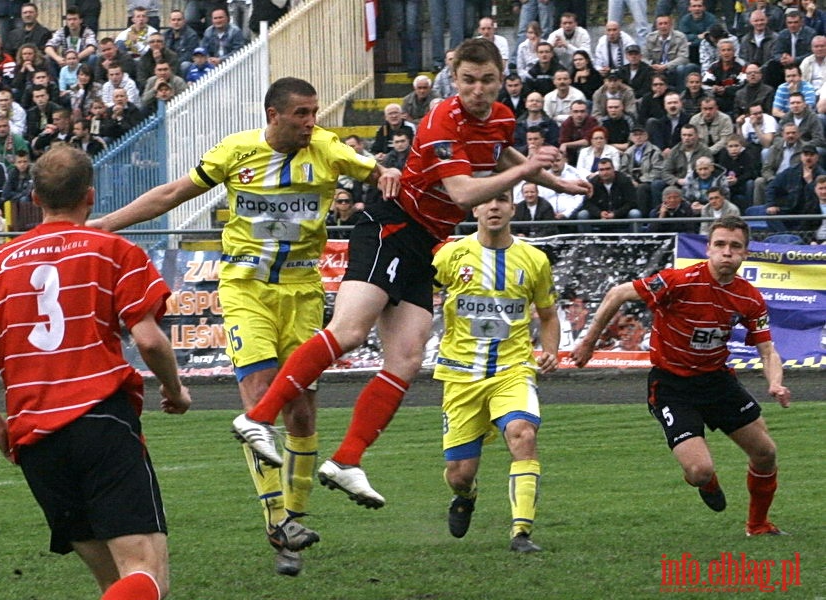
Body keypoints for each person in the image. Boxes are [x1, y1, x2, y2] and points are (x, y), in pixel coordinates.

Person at [232, 39, 591, 510]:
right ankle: (257, 418)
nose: (478, 90)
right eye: (468, 80)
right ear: (453, 78)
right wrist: (527, 169)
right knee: (350, 331)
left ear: (502, 77)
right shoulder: (444, 116)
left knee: (406, 358)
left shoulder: (501, 116)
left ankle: (346, 460)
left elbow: (499, 154)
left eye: (487, 80)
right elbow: (463, 193)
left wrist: (555, 181)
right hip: (391, 226)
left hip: (424, 243)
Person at [88, 77, 402, 576]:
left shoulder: (330, 150)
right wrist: (107, 224)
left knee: (301, 413)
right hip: (245, 289)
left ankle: (295, 516)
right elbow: (173, 192)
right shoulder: (235, 152)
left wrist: (386, 173)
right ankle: (278, 523)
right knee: (259, 402)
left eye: (315, 111)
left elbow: (379, 172)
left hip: (301, 293)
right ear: (273, 115)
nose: (311, 121)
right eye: (301, 113)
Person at [0, 146, 192, 599]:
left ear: (35, 198)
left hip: (35, 438)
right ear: (91, 197)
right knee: (144, 575)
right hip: (100, 420)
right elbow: (149, 340)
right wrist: (176, 391)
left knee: (112, 583)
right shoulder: (115, 251)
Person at [572, 216, 791, 537]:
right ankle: (707, 481)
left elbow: (768, 350)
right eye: (720, 245)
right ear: (708, 249)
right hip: (672, 384)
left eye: (735, 246)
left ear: (745, 253)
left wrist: (775, 382)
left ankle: (758, 525)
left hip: (717, 380)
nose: (726, 252)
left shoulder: (749, 298)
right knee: (700, 471)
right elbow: (617, 294)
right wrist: (589, 341)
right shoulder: (679, 281)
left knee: (765, 453)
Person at [433, 189, 559, 553]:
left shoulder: (534, 259)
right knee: (460, 473)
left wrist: (549, 352)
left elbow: (548, 316)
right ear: (474, 206)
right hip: (460, 375)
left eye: (501, 199)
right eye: (487, 200)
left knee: (523, 434)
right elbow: (416, 297)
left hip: (512, 369)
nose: (494, 206)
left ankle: (521, 532)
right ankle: (466, 494)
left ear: (512, 208)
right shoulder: (450, 255)